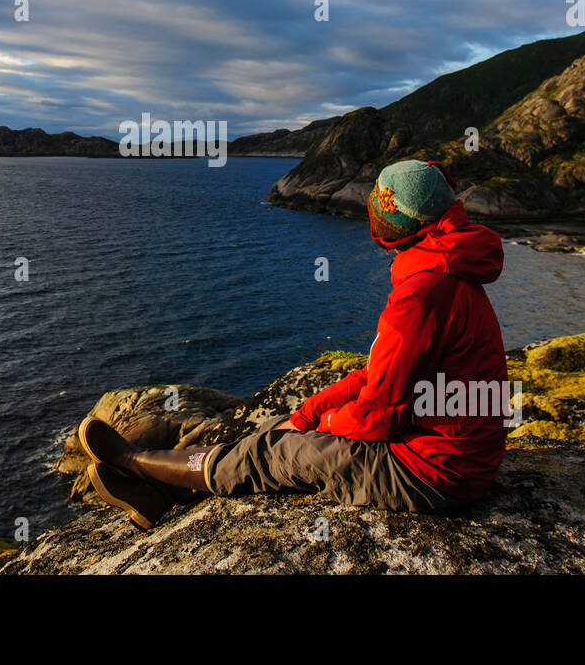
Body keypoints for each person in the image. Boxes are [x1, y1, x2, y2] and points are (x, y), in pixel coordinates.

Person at [77, 159, 510, 531]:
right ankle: (160, 496)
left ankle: (134, 462)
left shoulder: (425, 291)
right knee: (281, 427)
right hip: (451, 453)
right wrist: (306, 414)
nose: (371, 212)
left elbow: (379, 413)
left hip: (435, 471)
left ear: (403, 221)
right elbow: (381, 376)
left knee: (279, 450)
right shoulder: (446, 272)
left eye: (379, 202)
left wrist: (317, 427)